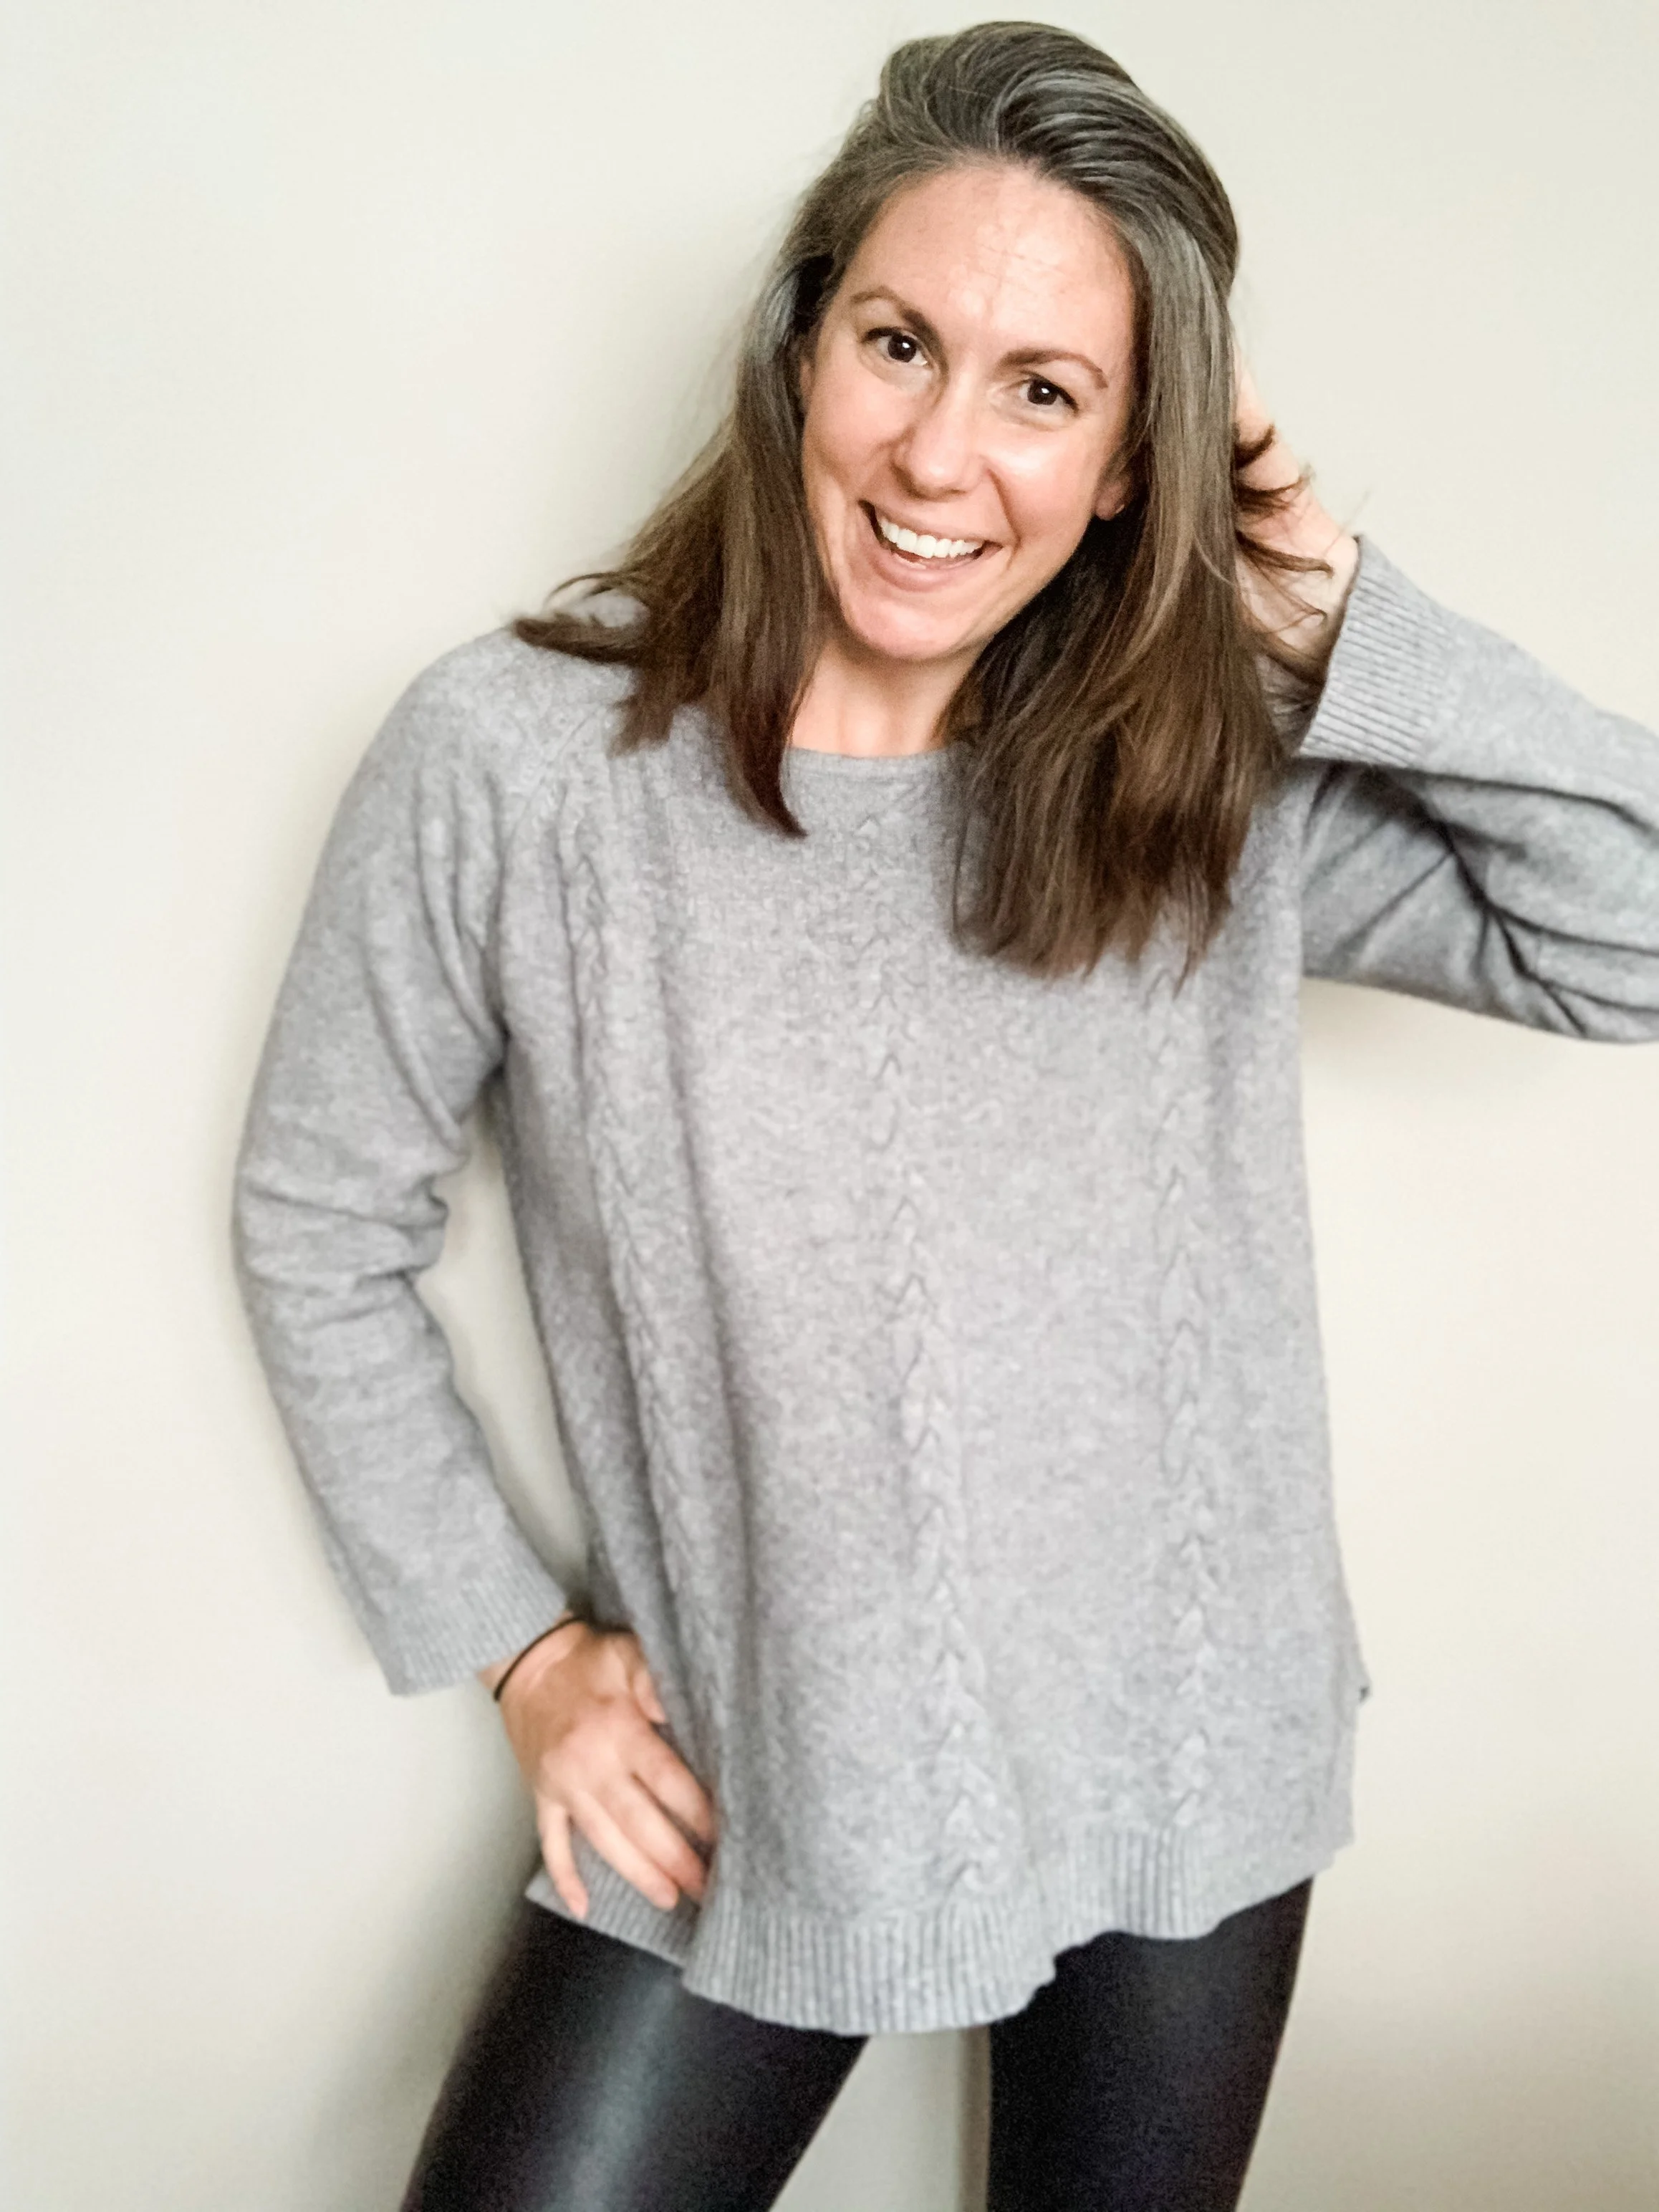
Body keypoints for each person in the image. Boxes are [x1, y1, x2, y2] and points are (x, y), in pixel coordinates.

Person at [230, 21, 1659, 2211]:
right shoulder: (514, 762)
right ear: (802, 345)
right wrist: (519, 1651)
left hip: (1192, 1752)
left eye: (1045, 392)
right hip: (754, 1763)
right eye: (898, 344)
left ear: (1133, 466)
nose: (937, 455)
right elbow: (319, 1219)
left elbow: (1626, 931)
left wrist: (1331, 608)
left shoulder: (1191, 776)